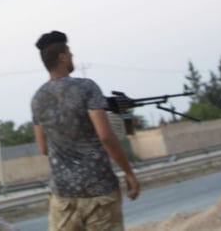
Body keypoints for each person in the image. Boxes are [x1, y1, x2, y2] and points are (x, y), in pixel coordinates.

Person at [30, 30, 141, 231]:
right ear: (62, 57)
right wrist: (129, 172)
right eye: (70, 54)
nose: (72, 57)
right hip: (99, 191)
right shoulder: (87, 88)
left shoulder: (37, 98)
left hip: (63, 196)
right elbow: (106, 136)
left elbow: (43, 147)